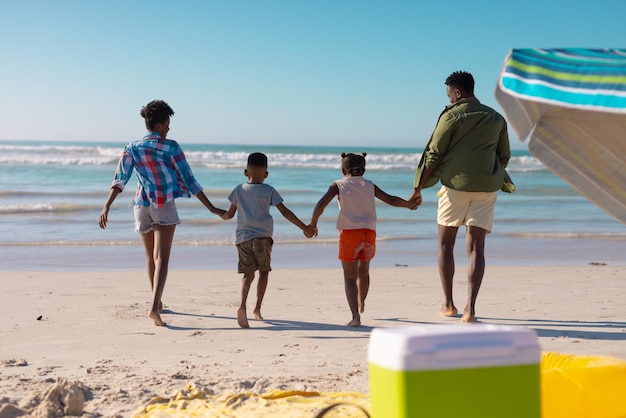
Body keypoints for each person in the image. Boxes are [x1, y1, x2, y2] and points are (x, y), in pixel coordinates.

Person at [98, 99, 225, 327]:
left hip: (140, 205)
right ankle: (155, 308)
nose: (169, 128)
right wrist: (212, 208)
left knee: (150, 258)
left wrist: (106, 206)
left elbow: (120, 179)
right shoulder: (171, 147)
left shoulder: (131, 147)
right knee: (162, 258)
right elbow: (190, 180)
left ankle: (158, 302)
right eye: (167, 124)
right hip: (162, 204)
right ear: (159, 124)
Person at [409, 71, 514, 323]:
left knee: (445, 245)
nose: (450, 100)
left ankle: (448, 304)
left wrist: (418, 188)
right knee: (477, 247)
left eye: (450, 95)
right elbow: (504, 156)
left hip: (455, 187)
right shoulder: (496, 118)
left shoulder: (452, 115)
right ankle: (471, 309)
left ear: (457, 92)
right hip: (486, 187)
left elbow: (434, 154)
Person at [309, 153, 418, 327]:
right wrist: (408, 204)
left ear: (343, 169)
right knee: (364, 271)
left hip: (350, 234)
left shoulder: (338, 185)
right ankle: (361, 302)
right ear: (364, 170)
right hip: (369, 233)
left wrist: (313, 223)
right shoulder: (370, 185)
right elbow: (390, 199)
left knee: (350, 278)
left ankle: (355, 316)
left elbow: (321, 204)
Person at [221, 152, 316, 328]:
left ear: (245, 172)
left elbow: (229, 214)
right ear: (266, 174)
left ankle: (242, 306)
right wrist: (305, 227)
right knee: (263, 272)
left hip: (242, 239)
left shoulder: (238, 190)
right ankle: (256, 308)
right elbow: (285, 212)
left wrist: (218, 212)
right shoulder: (269, 190)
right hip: (263, 238)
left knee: (247, 275)